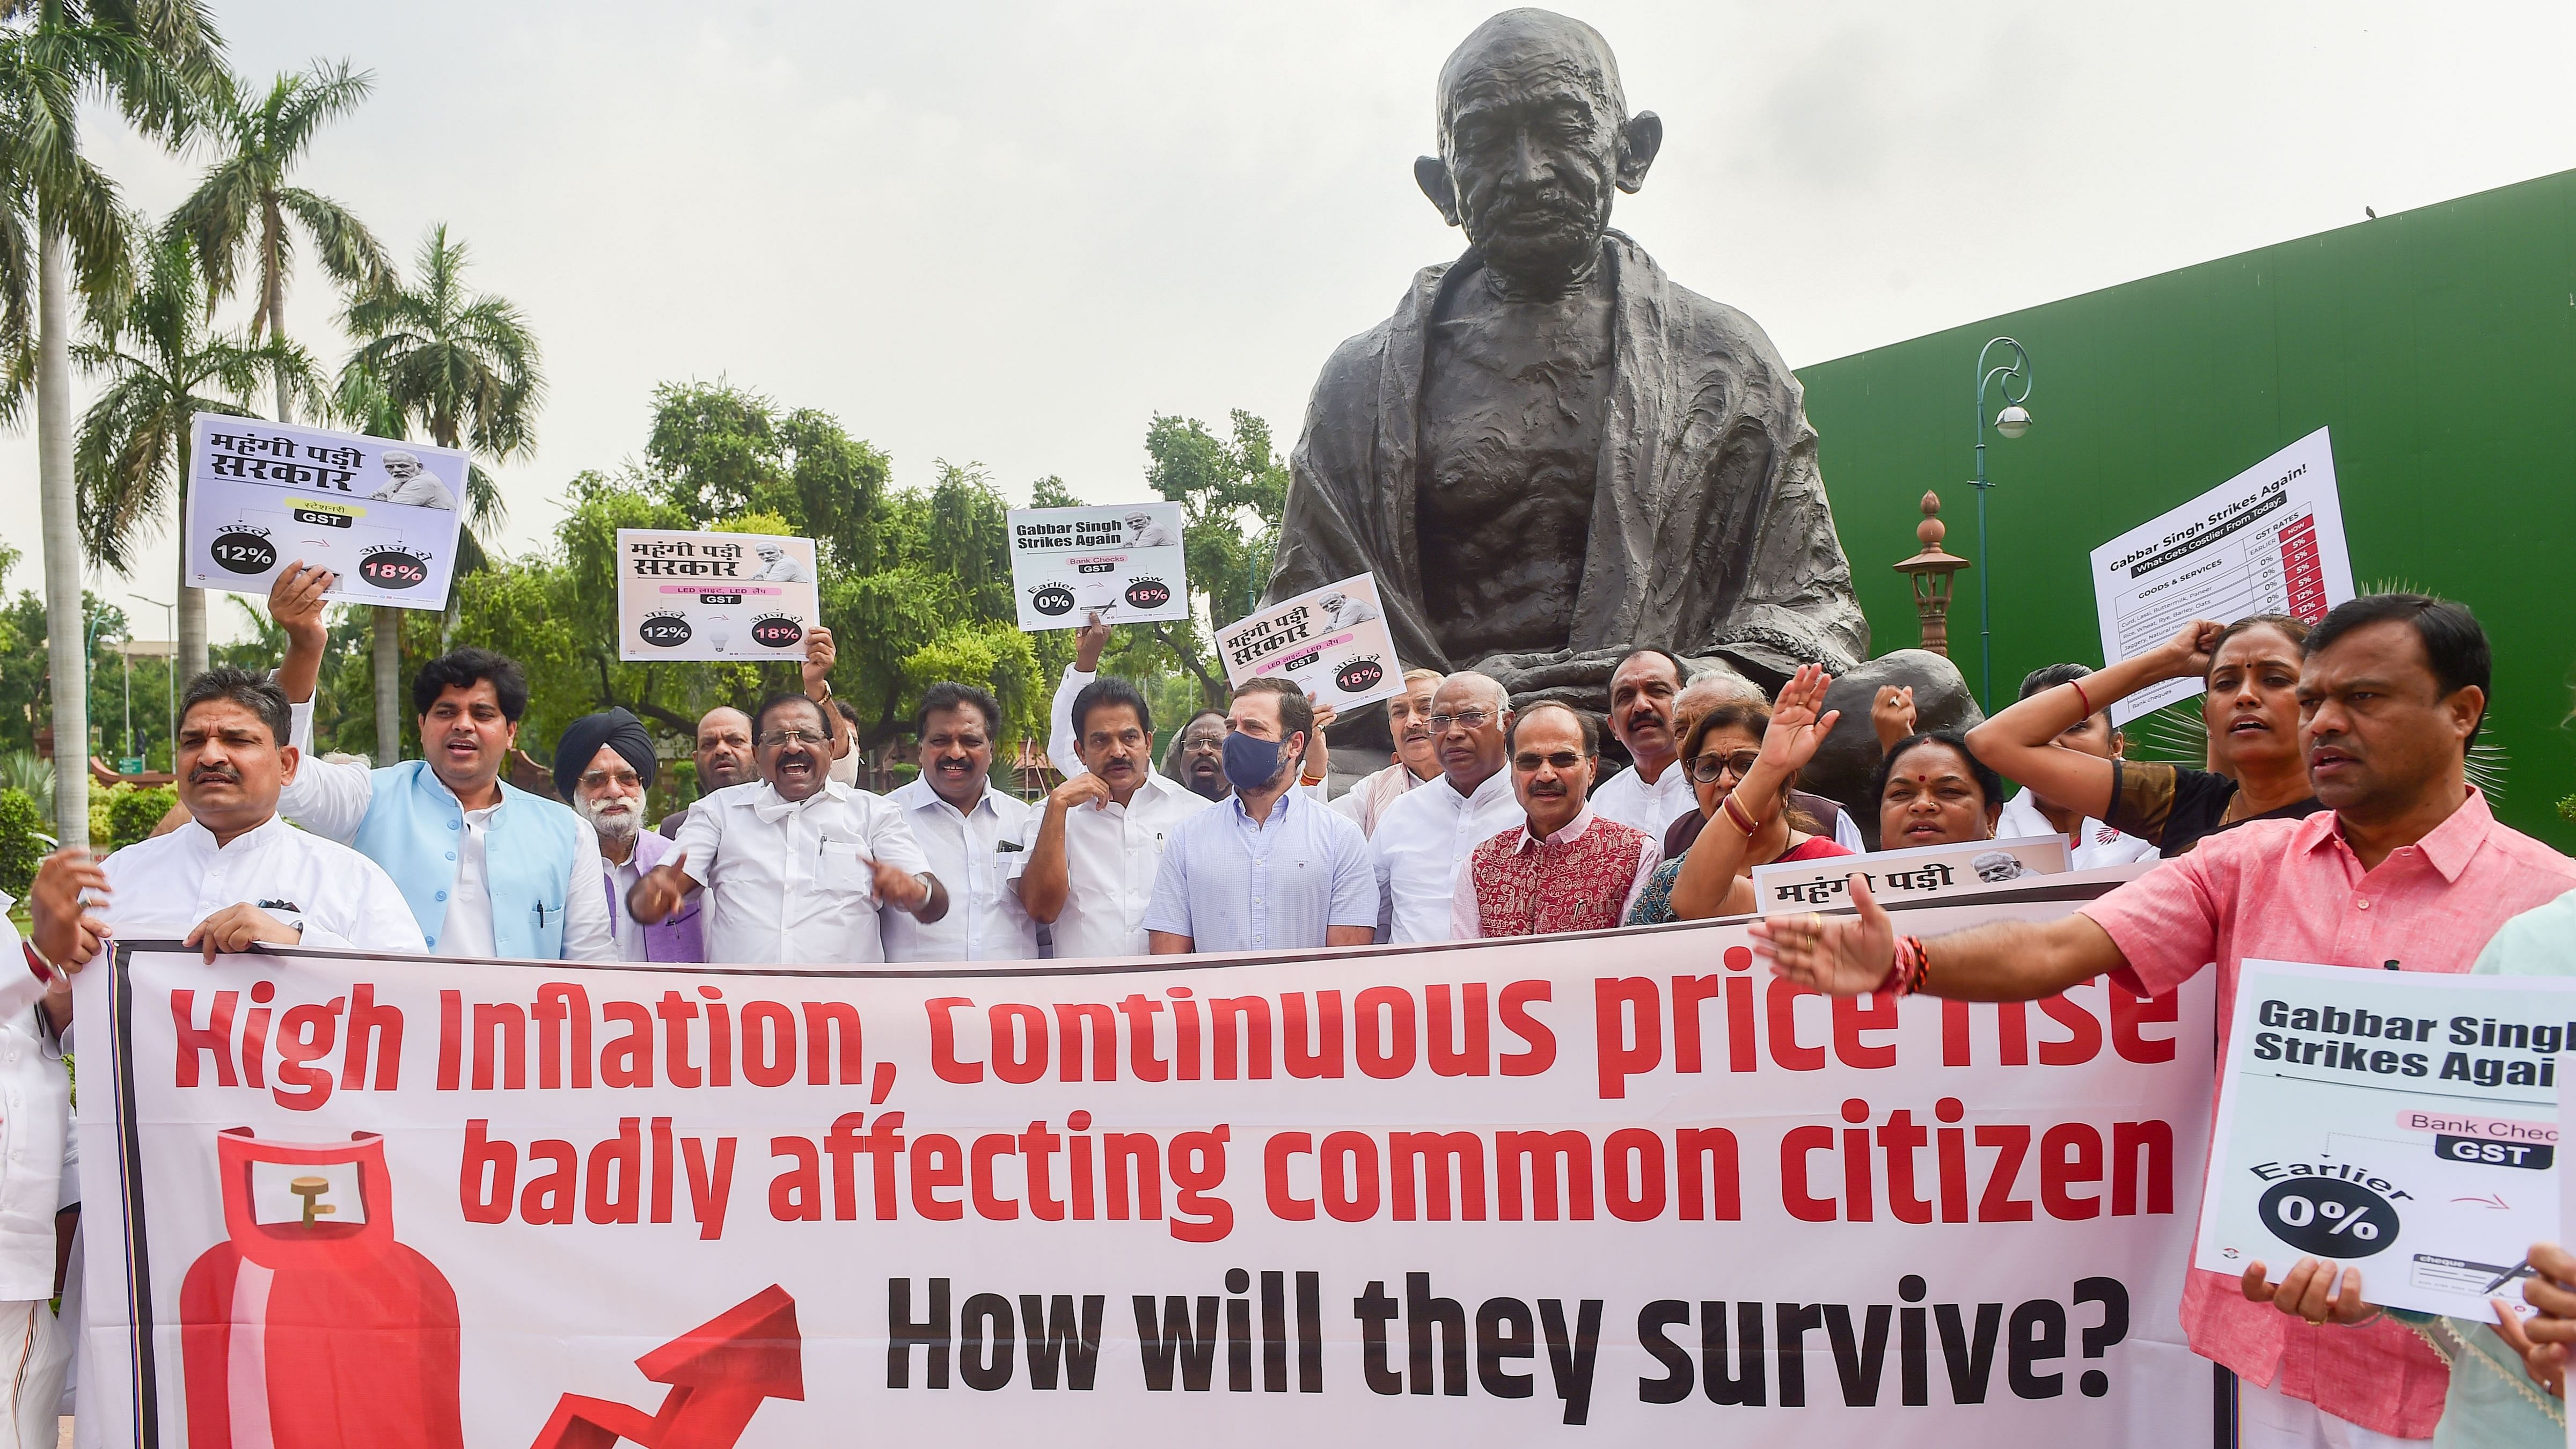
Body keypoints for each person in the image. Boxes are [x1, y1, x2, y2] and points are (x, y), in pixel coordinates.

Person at [1757, 594, 2576, 1447]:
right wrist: (1909, 965)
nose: (2323, 722)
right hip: (2265, 1347)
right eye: (2318, 700)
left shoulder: (2550, 910)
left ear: (2462, 711)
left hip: (2466, 1382)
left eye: (2363, 699)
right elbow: (2061, 950)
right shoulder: (2244, 861)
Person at [1261, 10, 1870, 700]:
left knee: (1920, 689)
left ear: (1631, 152)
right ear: (1442, 187)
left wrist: (1687, 683)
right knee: (1238, 750)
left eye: (1564, 129)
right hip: (1441, 736)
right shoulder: (1359, 387)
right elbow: (1296, 639)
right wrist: (1447, 697)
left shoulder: (1727, 361)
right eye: (1486, 142)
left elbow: (1818, 610)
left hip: (1660, 725)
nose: (1526, 173)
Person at [266, 564, 613, 960]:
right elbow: (283, 775)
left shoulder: (567, 832)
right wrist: (305, 646)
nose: (463, 726)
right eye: (446, 712)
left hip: (516, 1021)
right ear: (422, 725)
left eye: (482, 715)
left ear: (511, 732)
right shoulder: (367, 798)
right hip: (389, 1018)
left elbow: (593, 961)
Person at [29, 668, 426, 970]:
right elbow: (52, 1028)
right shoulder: (117, 879)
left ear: (286, 765)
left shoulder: (352, 881)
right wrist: (56, 959)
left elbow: (412, 1001)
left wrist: (296, 942)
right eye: (193, 741)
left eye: (237, 740)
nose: (210, 756)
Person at [1966, 615, 2322, 857]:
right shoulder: (2184, 803)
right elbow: (1992, 741)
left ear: (2320, 703)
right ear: (2208, 718)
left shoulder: (2360, 813)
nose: (2245, 696)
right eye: (2225, 683)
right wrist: (2167, 662)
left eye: (2275, 679)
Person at [631, 693, 943, 963]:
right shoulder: (718, 811)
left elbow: (934, 902)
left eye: (807, 736)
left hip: (845, 1014)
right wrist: (654, 893)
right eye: (778, 738)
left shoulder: (874, 813)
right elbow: (664, 884)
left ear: (831, 747)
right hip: (744, 1015)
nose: (793, 747)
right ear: (757, 753)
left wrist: (917, 892)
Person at [1145, 678, 1379, 954]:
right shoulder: (1188, 837)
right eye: (1231, 727)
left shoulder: (1341, 838)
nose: (1235, 739)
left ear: (1294, 744)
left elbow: (1347, 964)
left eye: (1253, 727)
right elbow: (1168, 961)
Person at [1632, 667, 1855, 924]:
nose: (1726, 781)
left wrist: (1771, 766)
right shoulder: (1670, 879)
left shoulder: (1833, 869)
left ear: (1788, 781)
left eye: (1747, 765)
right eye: (1709, 768)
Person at [1018, 675, 1213, 958]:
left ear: (1148, 743)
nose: (1118, 752)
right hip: (1084, 999)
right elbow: (1042, 910)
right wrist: (1058, 806)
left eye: (1129, 737)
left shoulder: (1195, 814)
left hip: (1171, 995)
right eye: (1101, 741)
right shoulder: (1053, 814)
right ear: (1081, 752)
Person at [1452, 701, 1658, 939]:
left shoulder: (1637, 854)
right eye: (1529, 762)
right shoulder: (1481, 864)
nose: (1546, 775)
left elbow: (1639, 959)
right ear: (1512, 773)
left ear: (1591, 769)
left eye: (1563, 760)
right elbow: (1465, 966)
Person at [882, 683, 1037, 963]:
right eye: (940, 740)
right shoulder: (886, 819)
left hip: (1012, 1000)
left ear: (991, 749)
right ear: (921, 749)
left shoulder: (1025, 820)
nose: (955, 753)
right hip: (918, 1001)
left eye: (971, 741)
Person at [1960, 665, 2157, 867]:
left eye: (2075, 728)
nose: (2054, 743)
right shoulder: (1987, 835)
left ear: (2115, 746)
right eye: (2037, 731)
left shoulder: (2165, 821)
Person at [1374, 672, 1522, 942]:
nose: (1453, 733)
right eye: (1440, 721)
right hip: (1408, 982)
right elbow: (1374, 917)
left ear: (1506, 723)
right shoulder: (1401, 812)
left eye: (1471, 717)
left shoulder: (1537, 809)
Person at [554, 708, 701, 963]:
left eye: (627, 778)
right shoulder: (554, 866)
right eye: (596, 780)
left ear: (642, 785)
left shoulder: (675, 860)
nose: (613, 791)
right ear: (574, 791)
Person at [1666, 671, 1863, 855]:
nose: (1726, 781)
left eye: (1745, 765)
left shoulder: (1829, 826)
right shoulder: (1679, 842)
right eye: (1682, 730)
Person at [1589, 648, 1693, 837]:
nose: (1641, 706)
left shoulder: (1717, 786)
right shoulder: (1602, 802)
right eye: (1625, 697)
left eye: (1657, 691)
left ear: (1687, 707)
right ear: (1613, 727)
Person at [1331, 667, 1445, 835]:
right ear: (1391, 727)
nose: (1411, 722)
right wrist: (1314, 766)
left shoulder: (1485, 781)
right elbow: (1321, 834)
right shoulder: (1372, 791)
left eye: (1425, 709)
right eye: (1400, 713)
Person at [1874, 729, 2007, 850]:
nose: (1922, 805)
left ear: (1990, 819)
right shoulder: (1854, 874)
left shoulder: (2024, 873)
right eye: (1901, 793)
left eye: (1949, 791)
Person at [660, 706, 756, 837]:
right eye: (708, 744)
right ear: (696, 760)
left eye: (735, 741)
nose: (721, 750)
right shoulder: (672, 830)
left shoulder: (786, 820)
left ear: (759, 752)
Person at [1162, 710, 1230, 802]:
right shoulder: (1161, 812)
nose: (1205, 750)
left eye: (1218, 743)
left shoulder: (1252, 813)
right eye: (1194, 743)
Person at [366, 449, 456, 509]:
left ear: (419, 467)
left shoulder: (423, 482)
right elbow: (371, 500)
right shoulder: (400, 478)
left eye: (403, 466)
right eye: (390, 467)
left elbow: (392, 510)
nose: (396, 470)